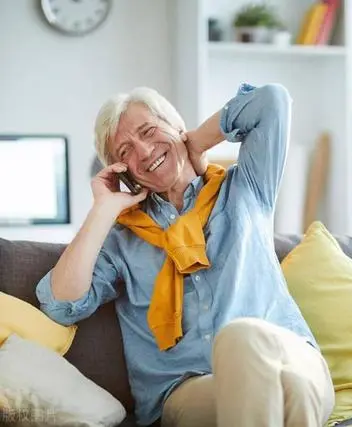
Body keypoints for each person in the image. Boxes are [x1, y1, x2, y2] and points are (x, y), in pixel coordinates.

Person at [35, 83, 335, 427]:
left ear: (176, 125)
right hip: (190, 389)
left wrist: (192, 142)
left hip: (291, 357)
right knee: (259, 361)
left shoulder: (245, 188)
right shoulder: (121, 242)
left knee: (265, 355)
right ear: (122, 172)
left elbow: (272, 101)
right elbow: (59, 305)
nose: (144, 151)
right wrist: (103, 209)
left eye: (149, 131)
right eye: (125, 152)